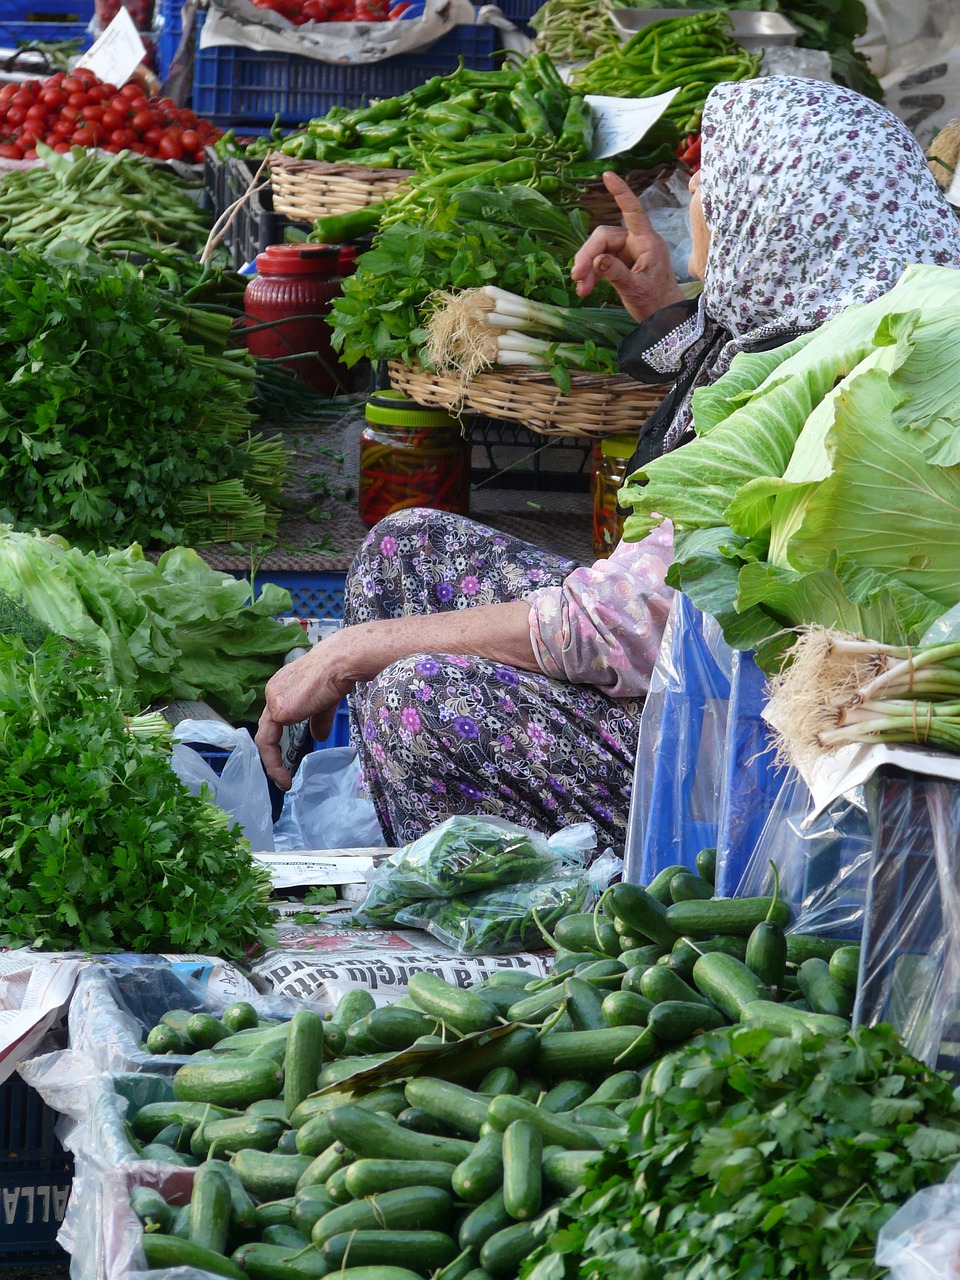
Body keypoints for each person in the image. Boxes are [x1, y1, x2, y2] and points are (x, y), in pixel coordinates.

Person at [256, 75, 960, 849]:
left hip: (753, 770)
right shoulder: (851, 308)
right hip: (702, 678)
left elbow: (616, 628)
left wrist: (352, 651)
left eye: (709, 180)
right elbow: (721, 374)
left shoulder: (847, 382)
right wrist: (661, 304)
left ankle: (523, 905)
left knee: (416, 695)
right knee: (406, 549)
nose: (693, 196)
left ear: (775, 213)